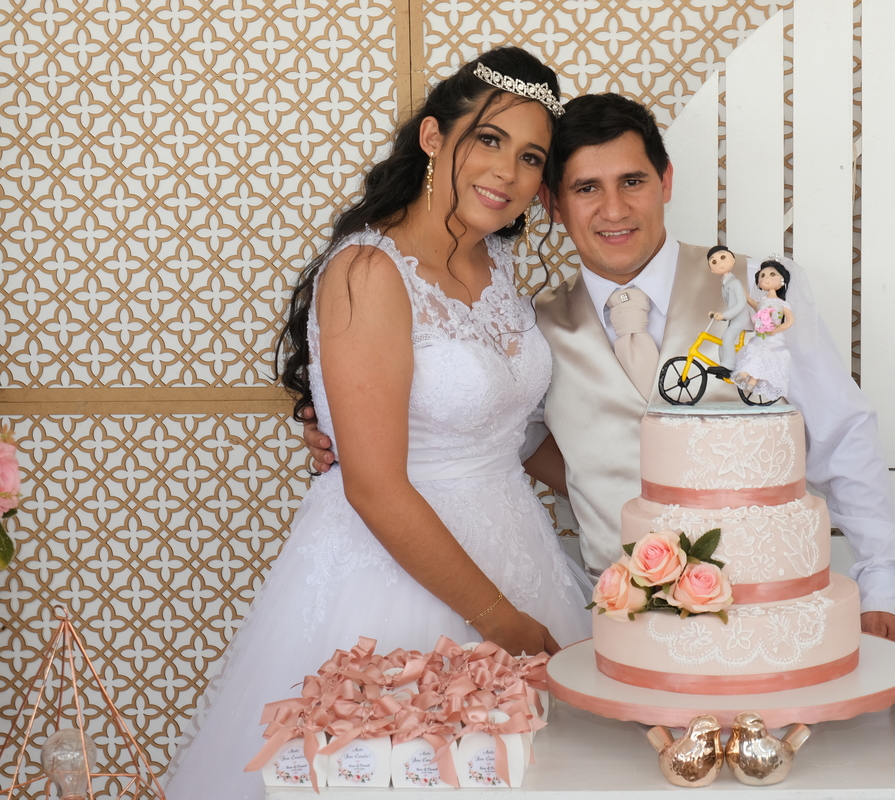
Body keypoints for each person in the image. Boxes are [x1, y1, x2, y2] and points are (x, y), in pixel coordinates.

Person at [306, 92, 895, 647]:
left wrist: (881, 586)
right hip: (620, 623)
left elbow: (842, 434)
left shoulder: (759, 291)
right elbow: (492, 429)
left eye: (632, 181)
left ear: (666, 181)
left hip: (768, 616)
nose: (614, 209)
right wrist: (339, 424)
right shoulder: (531, 331)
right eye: (586, 189)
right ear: (552, 203)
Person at [167, 48, 591, 800]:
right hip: (397, 573)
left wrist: (630, 500)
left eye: (531, 157)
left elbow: (510, 430)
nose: (507, 172)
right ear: (433, 137)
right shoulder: (368, 272)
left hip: (516, 549)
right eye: (488, 140)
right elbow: (373, 484)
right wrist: (501, 622)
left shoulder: (496, 262)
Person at [733, 258, 794, 400]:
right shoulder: (761, 302)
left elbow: (790, 320)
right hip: (760, 336)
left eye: (772, 274)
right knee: (754, 352)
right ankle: (747, 375)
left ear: (782, 279)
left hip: (774, 339)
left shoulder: (781, 304)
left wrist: (776, 329)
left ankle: (752, 379)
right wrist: (740, 289)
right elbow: (750, 301)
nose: (766, 278)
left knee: (765, 356)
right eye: (762, 275)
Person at [706, 244, 752, 371]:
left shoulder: (735, 283)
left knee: (727, 338)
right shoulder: (725, 284)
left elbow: (741, 303)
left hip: (741, 318)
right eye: (714, 262)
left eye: (723, 258)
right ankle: (723, 366)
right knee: (722, 342)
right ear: (712, 270)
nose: (719, 263)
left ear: (733, 260)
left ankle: (729, 367)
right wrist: (720, 315)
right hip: (734, 318)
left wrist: (724, 315)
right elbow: (731, 304)